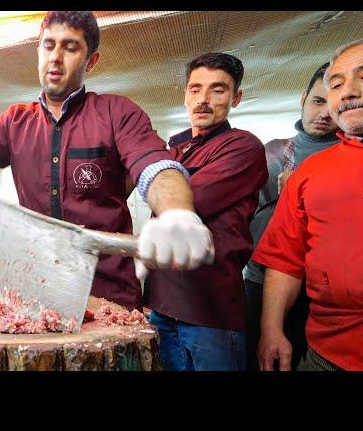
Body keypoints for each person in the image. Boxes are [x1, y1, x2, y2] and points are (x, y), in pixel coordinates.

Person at [0, 11, 213, 312]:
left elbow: (154, 166)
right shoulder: (12, 122)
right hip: (37, 295)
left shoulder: (117, 113)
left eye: (70, 47)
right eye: (48, 45)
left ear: (91, 61)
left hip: (109, 298)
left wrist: (177, 212)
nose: (55, 57)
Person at [140, 52, 267, 370]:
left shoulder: (243, 147)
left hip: (210, 313)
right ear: (185, 95)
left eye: (218, 89)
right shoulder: (176, 149)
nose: (204, 100)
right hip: (162, 306)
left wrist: (154, 180)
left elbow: (184, 200)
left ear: (236, 98)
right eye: (195, 89)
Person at [253, 39, 363, 371]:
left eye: (362, 77)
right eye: (337, 83)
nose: (348, 92)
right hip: (326, 352)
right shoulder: (309, 171)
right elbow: (285, 258)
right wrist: (271, 329)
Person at [243, 63, 340, 371]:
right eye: (317, 101)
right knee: (258, 358)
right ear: (303, 99)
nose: (324, 113)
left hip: (320, 289)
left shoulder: (349, 159)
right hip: (261, 280)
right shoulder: (272, 152)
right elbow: (247, 214)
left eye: (331, 103)